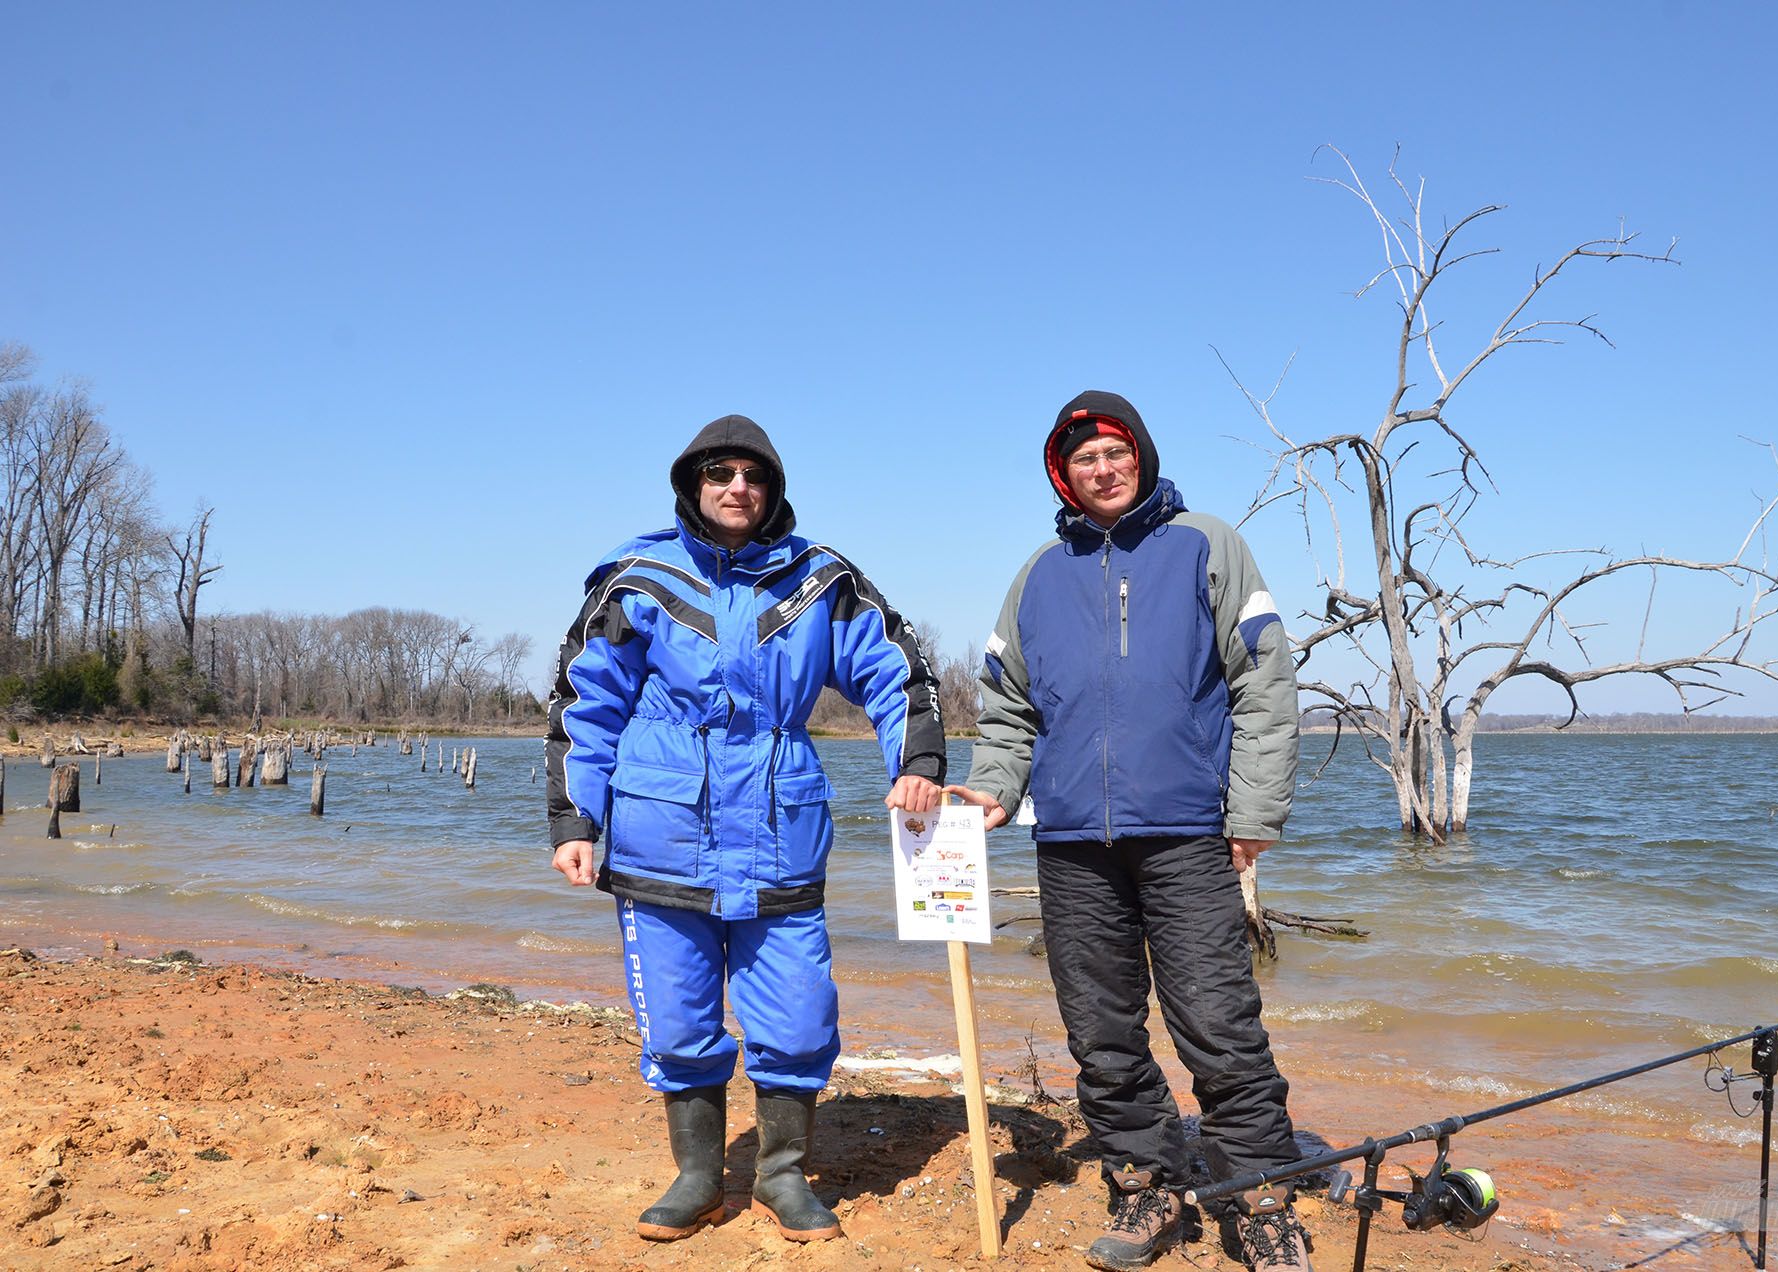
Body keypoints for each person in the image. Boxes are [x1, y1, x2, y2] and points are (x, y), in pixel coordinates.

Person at [546, 413, 945, 1245]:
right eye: (719, 474)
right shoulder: (640, 578)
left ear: (774, 490)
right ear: (692, 485)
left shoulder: (819, 579)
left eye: (753, 476)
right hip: (662, 833)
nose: (738, 489)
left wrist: (917, 763)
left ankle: (781, 1174)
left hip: (782, 830)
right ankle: (697, 1177)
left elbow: (894, 670)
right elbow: (586, 704)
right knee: (681, 1021)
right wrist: (575, 819)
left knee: (799, 1015)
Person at [945, 390, 1312, 1271]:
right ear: (1061, 476)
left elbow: (1265, 681)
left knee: (1220, 1025)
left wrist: (1254, 811)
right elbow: (1006, 711)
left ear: (1140, 456)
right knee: (1101, 1032)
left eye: (1115, 453)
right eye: (1083, 461)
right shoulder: (1038, 574)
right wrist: (992, 792)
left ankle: (1259, 1196)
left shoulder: (1207, 546)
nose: (1102, 470)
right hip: (1070, 843)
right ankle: (1148, 1189)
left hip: (1187, 832)